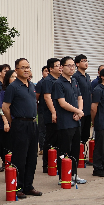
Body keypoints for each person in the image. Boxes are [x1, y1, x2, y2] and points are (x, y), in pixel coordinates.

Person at [3, 58, 43, 198]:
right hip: (19, 124)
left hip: (32, 124)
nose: (26, 70)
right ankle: (17, 187)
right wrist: (11, 121)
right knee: (20, 157)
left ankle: (28, 186)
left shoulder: (32, 85)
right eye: (23, 67)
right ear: (16, 70)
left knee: (32, 157)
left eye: (28, 67)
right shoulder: (13, 87)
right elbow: (5, 107)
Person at [52, 56, 85, 185]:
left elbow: (80, 98)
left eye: (73, 66)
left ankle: (74, 175)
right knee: (65, 150)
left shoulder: (74, 81)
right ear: (62, 67)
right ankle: (63, 177)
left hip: (76, 121)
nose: (72, 68)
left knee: (75, 149)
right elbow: (62, 103)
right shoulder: (58, 83)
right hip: (65, 122)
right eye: (69, 65)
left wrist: (80, 112)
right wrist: (77, 111)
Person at [41, 58, 61, 173]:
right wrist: (53, 112)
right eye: (57, 65)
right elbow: (47, 97)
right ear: (51, 69)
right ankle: (47, 165)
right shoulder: (48, 80)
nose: (60, 67)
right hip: (50, 115)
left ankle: (55, 162)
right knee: (50, 139)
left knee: (57, 140)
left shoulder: (58, 79)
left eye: (60, 65)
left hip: (58, 114)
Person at [72, 54, 91, 163]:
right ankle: (77, 157)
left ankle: (82, 156)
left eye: (86, 60)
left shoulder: (87, 76)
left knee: (85, 135)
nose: (86, 62)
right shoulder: (75, 77)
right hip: (80, 110)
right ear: (77, 64)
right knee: (78, 135)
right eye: (83, 61)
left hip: (88, 110)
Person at [0, 70, 17, 164]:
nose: (15, 79)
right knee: (8, 146)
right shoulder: (4, 92)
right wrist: (6, 122)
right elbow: (1, 108)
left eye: (16, 77)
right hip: (7, 122)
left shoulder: (17, 90)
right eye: (13, 77)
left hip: (16, 121)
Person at [35, 66, 49, 156]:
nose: (47, 73)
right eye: (45, 71)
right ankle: (42, 147)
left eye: (48, 71)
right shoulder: (40, 83)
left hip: (50, 111)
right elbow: (36, 97)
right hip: (42, 110)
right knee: (42, 130)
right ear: (42, 73)